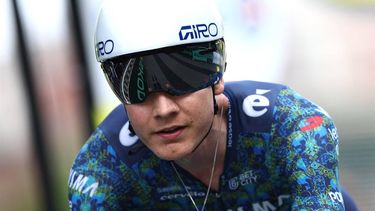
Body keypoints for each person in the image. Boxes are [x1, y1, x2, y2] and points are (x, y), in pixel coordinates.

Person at [68, 0, 354, 210]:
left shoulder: (292, 125)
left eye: (180, 80)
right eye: (135, 87)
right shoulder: (101, 167)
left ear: (217, 79)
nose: (163, 109)